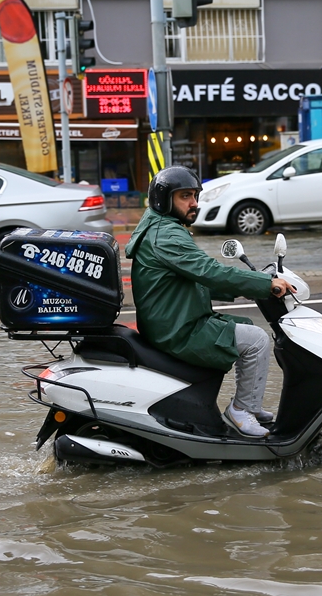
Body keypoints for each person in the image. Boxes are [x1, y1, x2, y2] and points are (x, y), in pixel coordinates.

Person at [124, 166, 296, 439]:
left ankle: (248, 403)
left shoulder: (160, 226)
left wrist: (246, 287)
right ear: (163, 199)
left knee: (245, 327)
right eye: (185, 196)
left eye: (195, 195)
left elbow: (193, 279)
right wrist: (264, 284)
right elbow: (210, 271)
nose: (194, 203)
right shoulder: (167, 236)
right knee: (256, 340)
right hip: (178, 329)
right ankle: (241, 410)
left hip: (174, 319)